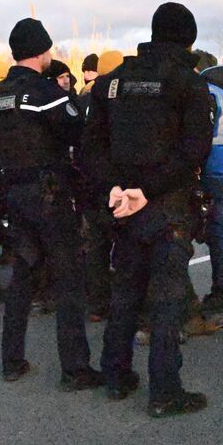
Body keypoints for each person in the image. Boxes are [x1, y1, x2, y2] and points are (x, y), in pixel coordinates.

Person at [82, 2, 213, 417]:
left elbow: (90, 148)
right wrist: (145, 188)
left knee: (126, 289)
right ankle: (165, 390)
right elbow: (195, 150)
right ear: (188, 38)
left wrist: (116, 187)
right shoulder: (188, 84)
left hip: (122, 205)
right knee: (167, 299)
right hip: (166, 203)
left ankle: (116, 374)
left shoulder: (111, 83)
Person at [0, 18, 102, 390]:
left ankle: (12, 359)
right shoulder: (46, 91)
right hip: (48, 192)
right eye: (49, 49)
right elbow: (77, 132)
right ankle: (75, 368)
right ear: (41, 51)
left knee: (23, 273)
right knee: (68, 279)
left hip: (13, 193)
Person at [79, 49, 126, 320]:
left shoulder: (84, 97)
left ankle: (97, 304)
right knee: (123, 245)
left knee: (96, 246)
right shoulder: (119, 97)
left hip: (89, 180)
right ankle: (122, 303)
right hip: (115, 179)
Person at [196, 55, 223, 314]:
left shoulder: (207, 94)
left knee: (217, 231)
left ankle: (222, 289)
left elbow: (202, 134)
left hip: (213, 168)